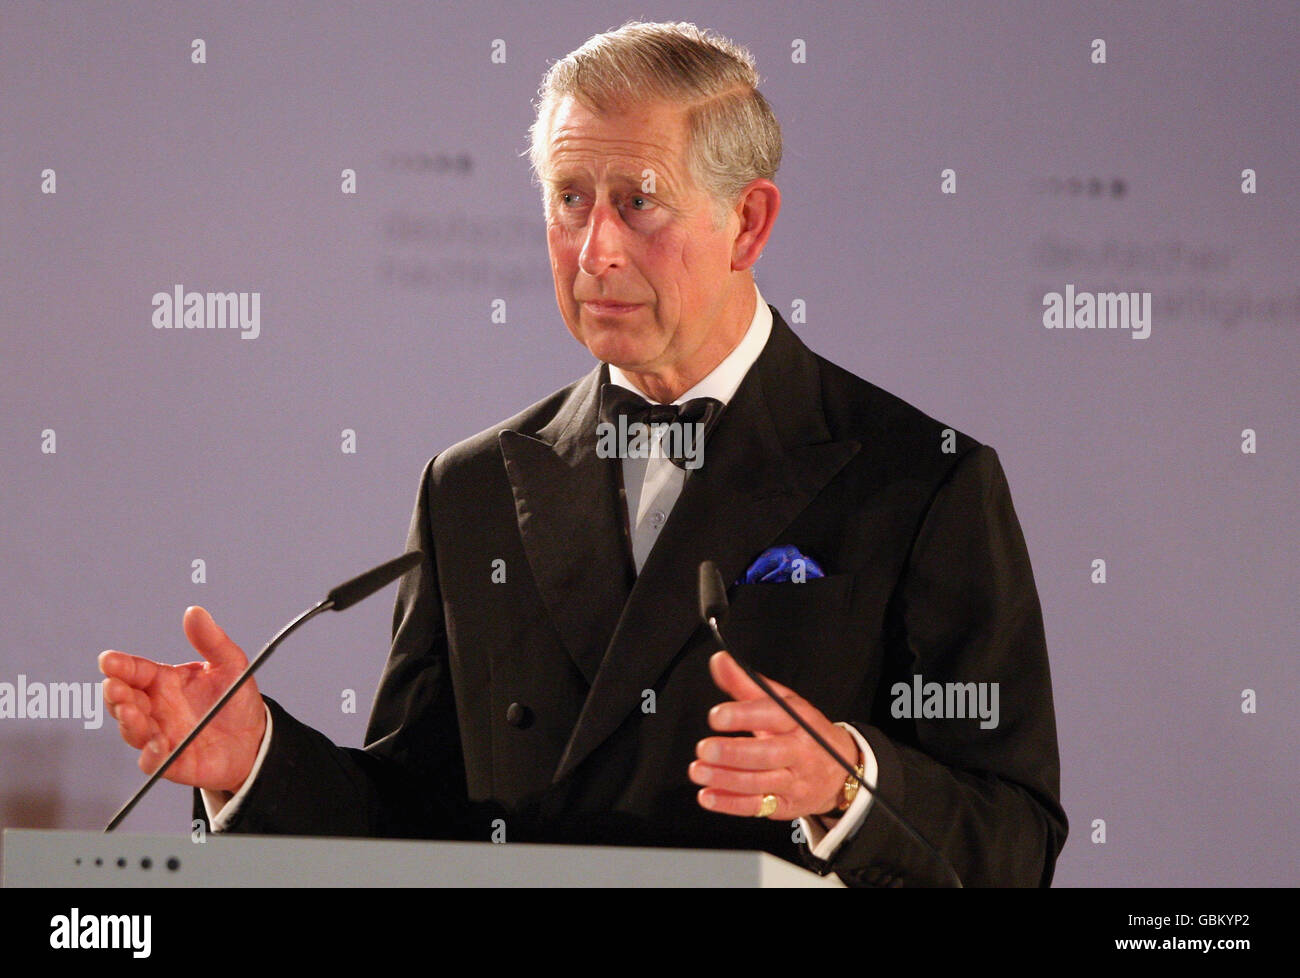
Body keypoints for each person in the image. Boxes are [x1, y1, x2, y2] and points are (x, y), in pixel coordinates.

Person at [99, 21, 1066, 887]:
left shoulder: (920, 480)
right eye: (569, 200)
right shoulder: (469, 488)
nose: (594, 248)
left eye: (638, 201)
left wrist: (849, 784)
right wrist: (258, 763)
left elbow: (1014, 842)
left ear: (749, 223)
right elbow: (414, 826)